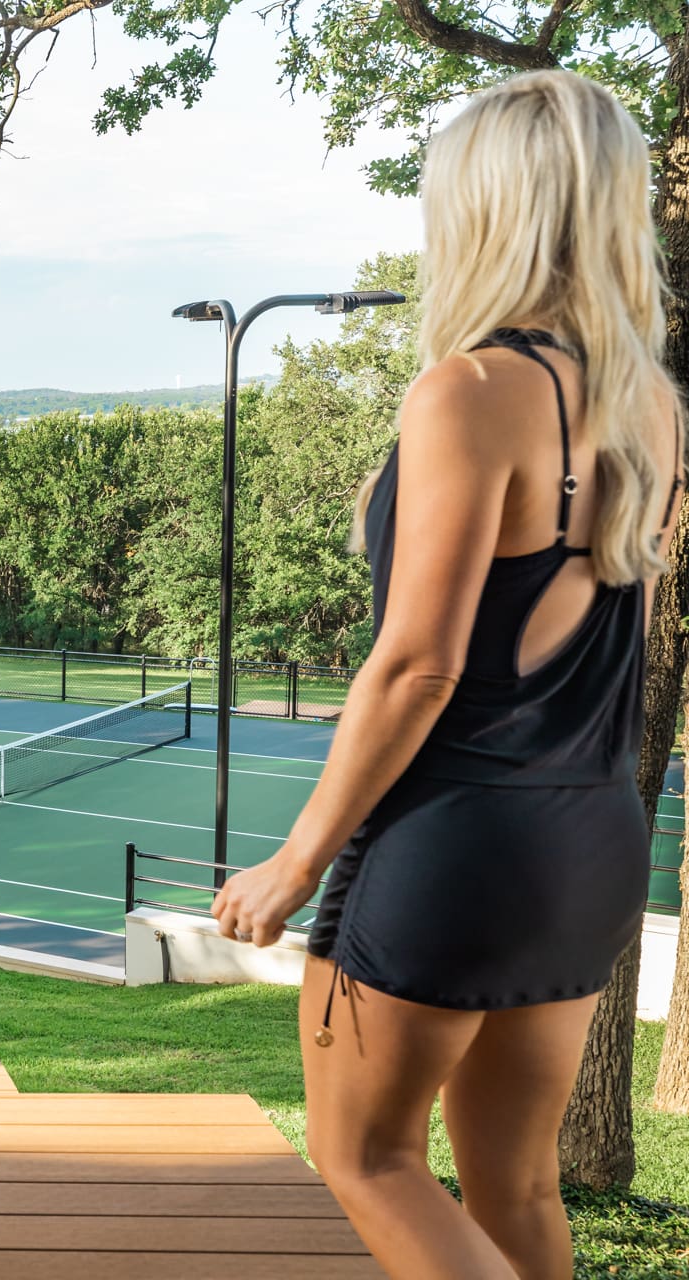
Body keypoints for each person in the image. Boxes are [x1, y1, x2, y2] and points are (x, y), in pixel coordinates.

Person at [210, 69, 684, 1279]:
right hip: (592, 841)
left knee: (366, 1156)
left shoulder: (472, 390)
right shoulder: (652, 409)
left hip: (452, 846)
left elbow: (418, 665)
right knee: (517, 1185)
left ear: (484, 208)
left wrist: (296, 858)